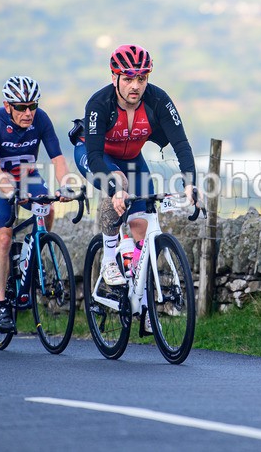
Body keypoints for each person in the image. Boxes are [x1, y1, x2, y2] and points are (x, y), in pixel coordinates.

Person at [74, 44, 197, 299]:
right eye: (128, 78)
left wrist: (189, 182)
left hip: (131, 158)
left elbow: (181, 143)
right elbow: (96, 156)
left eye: (141, 78)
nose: (135, 85)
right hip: (95, 155)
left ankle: (140, 297)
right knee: (118, 182)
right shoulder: (99, 103)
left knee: (141, 224)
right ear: (114, 78)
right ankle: (109, 259)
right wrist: (114, 188)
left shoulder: (158, 100)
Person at [0, 76, 73, 333]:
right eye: (21, 107)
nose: (28, 112)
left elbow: (58, 158)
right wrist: (10, 192)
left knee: (48, 208)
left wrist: (66, 185)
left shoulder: (41, 119)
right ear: (8, 106)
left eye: (33, 105)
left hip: (27, 175)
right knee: (3, 237)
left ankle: (33, 252)